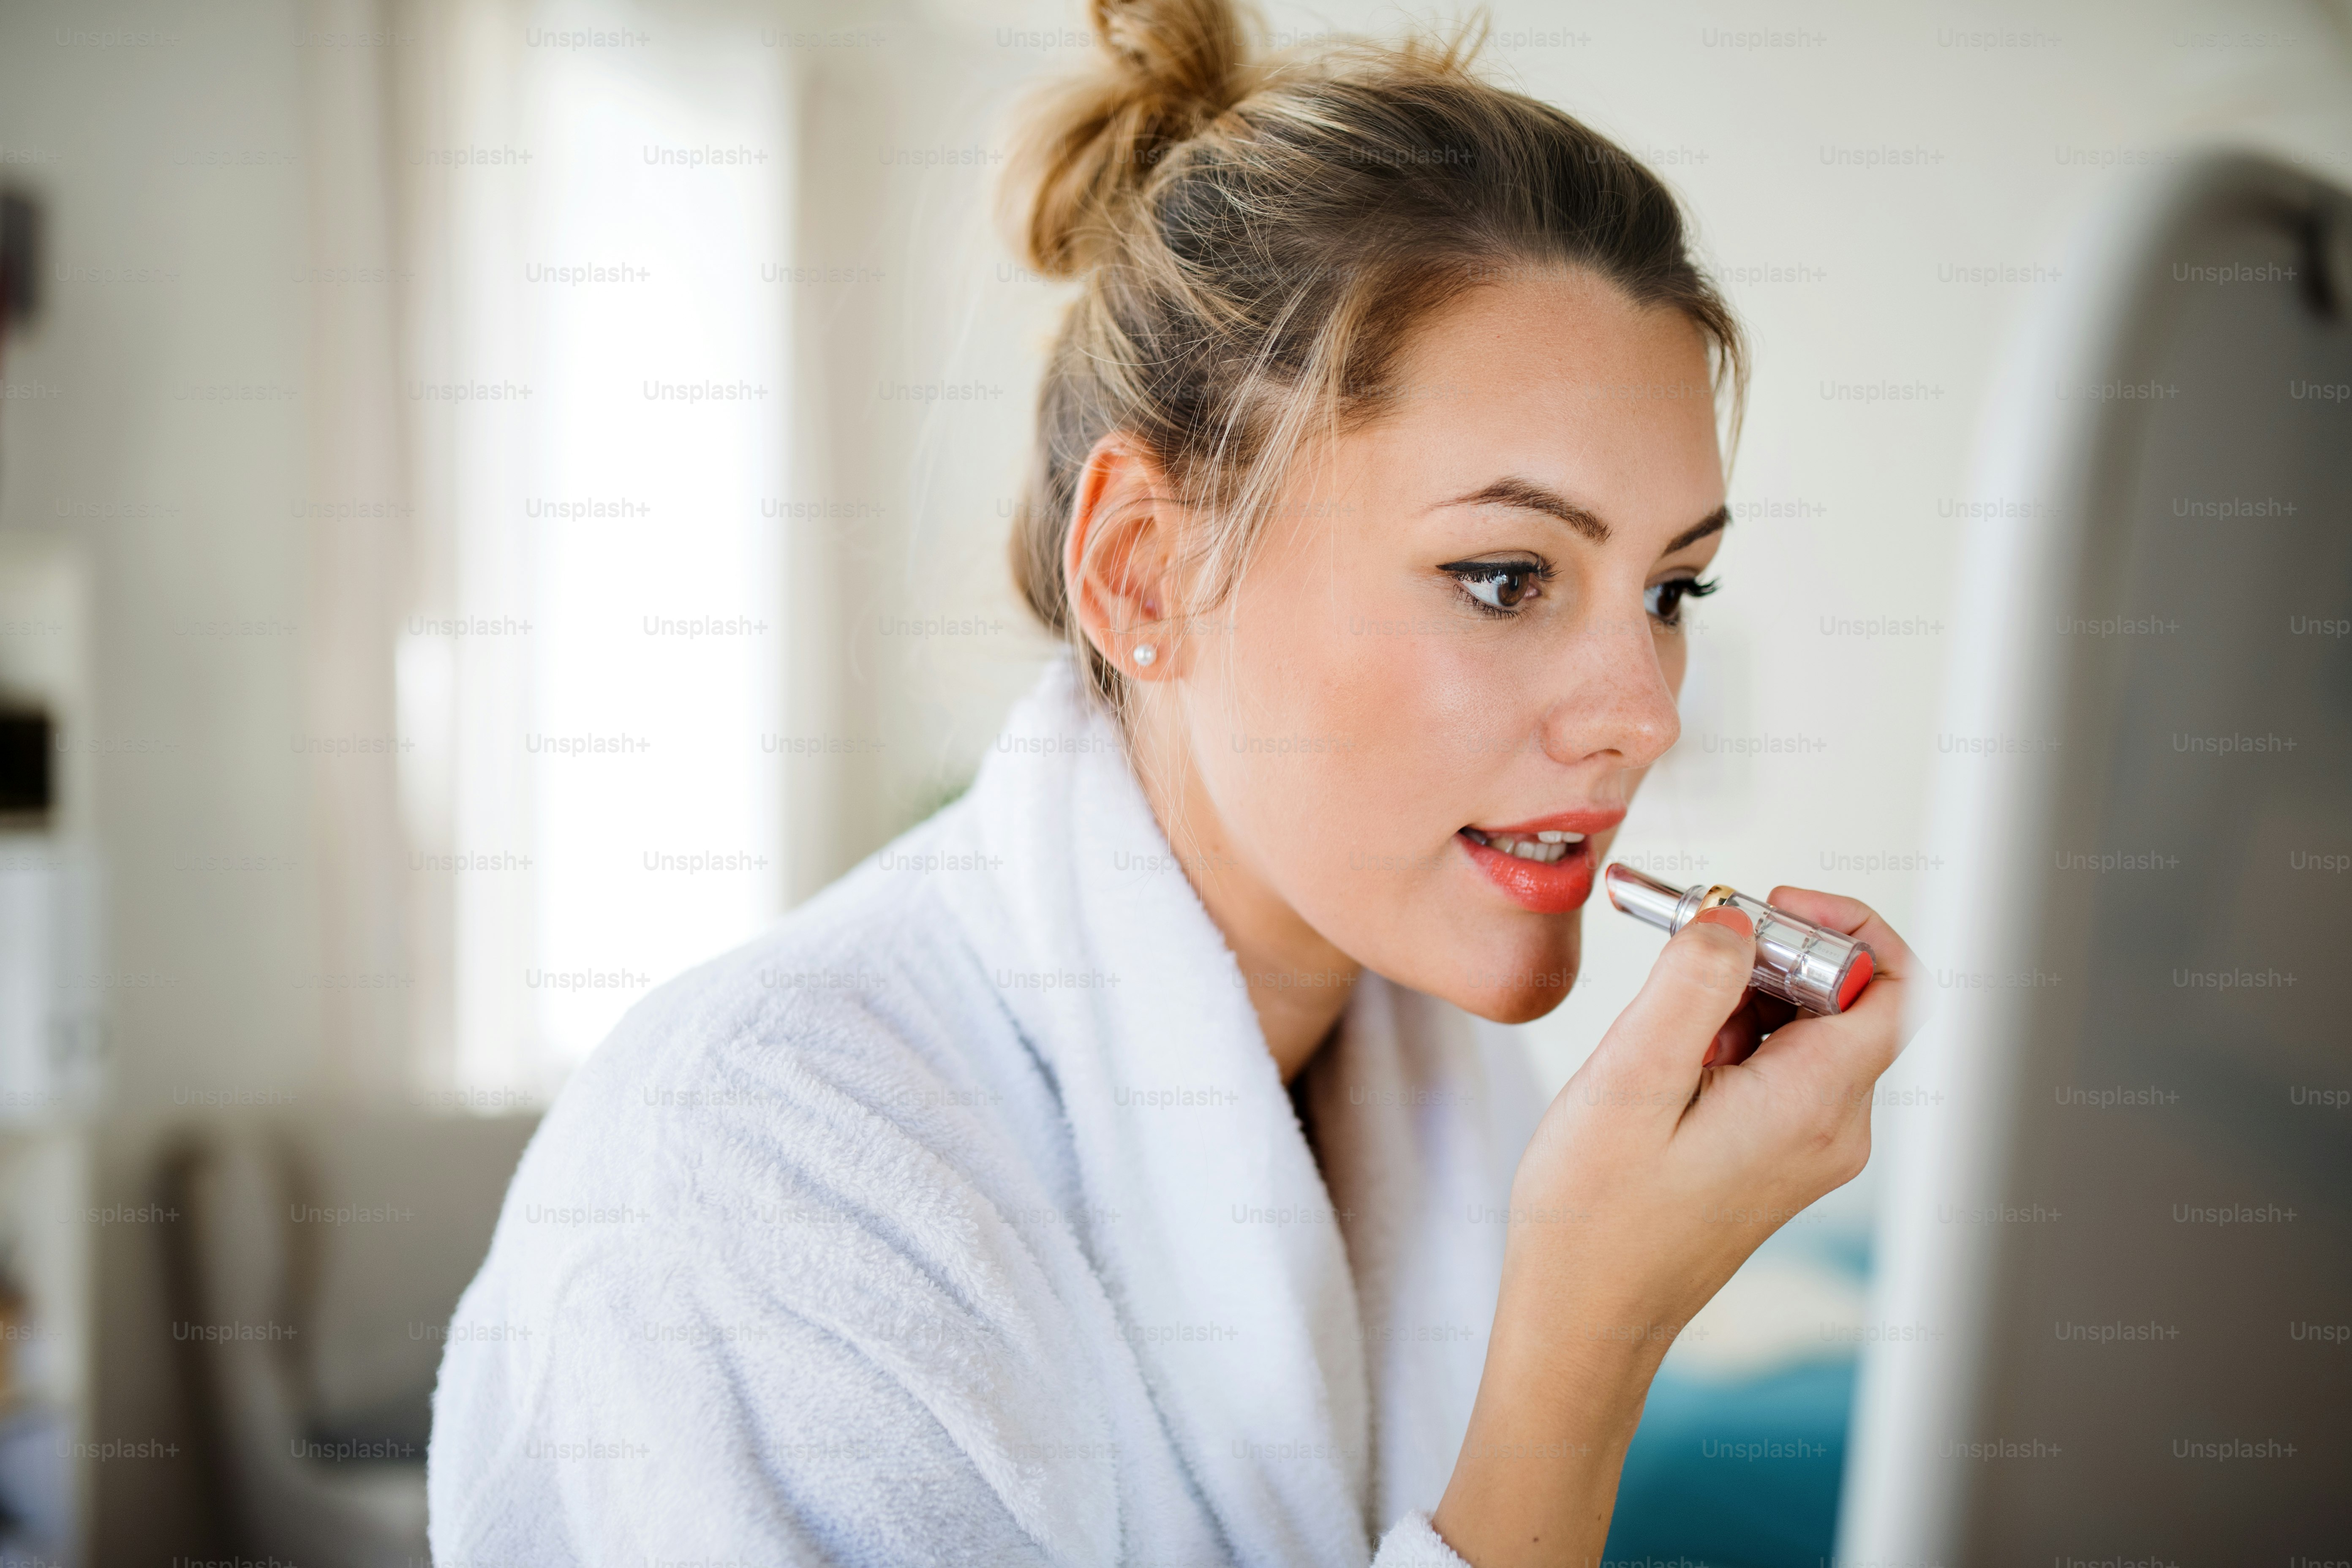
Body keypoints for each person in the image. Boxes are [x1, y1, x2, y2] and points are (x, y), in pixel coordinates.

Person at [426, 2, 1916, 1563]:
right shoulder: (751, 1180)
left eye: (1675, 593)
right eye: (1501, 577)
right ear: (1143, 573)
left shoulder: (1432, 1084)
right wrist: (1579, 1358)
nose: (1642, 719)